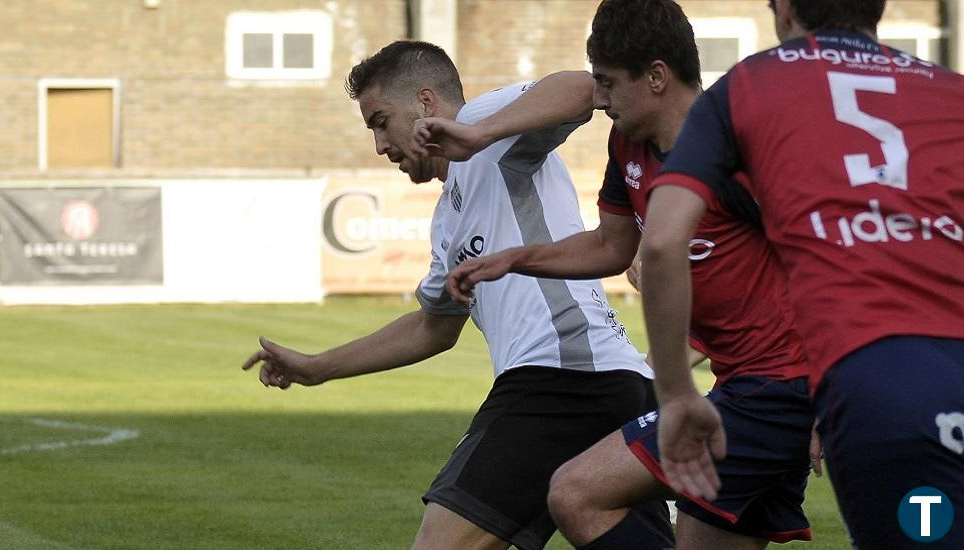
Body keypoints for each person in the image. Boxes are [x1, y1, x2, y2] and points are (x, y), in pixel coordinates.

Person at [240, 41, 672, 550]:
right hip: (607, 384)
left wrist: (477, 132)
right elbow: (434, 327)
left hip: (561, 380)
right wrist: (318, 367)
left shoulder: (485, 122)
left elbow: (584, 88)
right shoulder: (447, 219)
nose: (379, 145)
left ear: (427, 103)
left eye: (381, 121)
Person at [420, 1, 817, 548]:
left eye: (608, 83)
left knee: (576, 493)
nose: (598, 98)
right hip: (739, 386)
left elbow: (820, 264)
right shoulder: (628, 143)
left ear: (656, 76)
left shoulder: (737, 145)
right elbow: (610, 247)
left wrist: (827, 395)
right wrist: (514, 259)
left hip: (778, 388)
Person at [640, 0, 964, 547]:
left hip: (881, 384)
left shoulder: (749, 84)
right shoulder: (952, 90)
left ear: (784, 8)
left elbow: (664, 242)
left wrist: (674, 395)